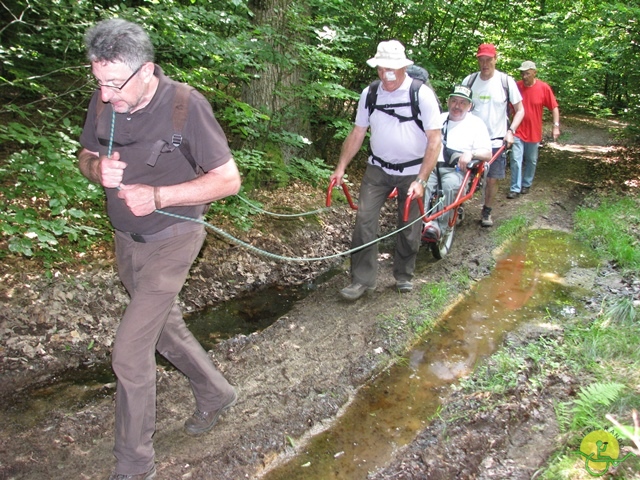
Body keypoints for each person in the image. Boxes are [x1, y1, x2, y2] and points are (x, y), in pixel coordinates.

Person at [77, 19, 241, 480]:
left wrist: (160, 196)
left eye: (114, 83)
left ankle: (135, 466)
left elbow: (229, 180)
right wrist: (96, 170)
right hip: (126, 242)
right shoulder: (105, 100)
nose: (106, 95)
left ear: (146, 71)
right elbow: (85, 153)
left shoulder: (187, 107)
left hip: (174, 239)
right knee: (163, 330)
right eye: (99, 83)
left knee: (129, 353)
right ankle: (216, 392)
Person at [330, 40, 441, 300]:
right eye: (381, 69)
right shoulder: (370, 94)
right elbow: (358, 132)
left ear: (403, 67)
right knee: (364, 222)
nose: (385, 74)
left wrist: (422, 180)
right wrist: (340, 167)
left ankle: (403, 274)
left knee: (409, 224)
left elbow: (435, 140)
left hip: (413, 170)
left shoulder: (421, 94)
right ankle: (361, 280)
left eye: (391, 68)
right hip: (377, 169)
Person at [462, 43, 524, 227]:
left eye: (488, 59)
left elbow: (520, 110)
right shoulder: (469, 81)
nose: (485, 63)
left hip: (496, 140)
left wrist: (511, 131)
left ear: (495, 59)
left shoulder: (506, 82)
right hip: (470, 139)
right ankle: (457, 208)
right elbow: (457, 107)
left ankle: (487, 210)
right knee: (462, 174)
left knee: (492, 178)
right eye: (481, 60)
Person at [422, 85, 492, 241]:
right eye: (454, 101)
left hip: (457, 170)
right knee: (420, 184)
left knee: (449, 187)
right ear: (448, 102)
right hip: (432, 166)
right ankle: (420, 223)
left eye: (462, 103)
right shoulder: (439, 119)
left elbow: (488, 154)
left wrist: (471, 153)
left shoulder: (476, 124)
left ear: (470, 106)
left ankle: (439, 228)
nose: (457, 106)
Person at [507, 60, 560, 197]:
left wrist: (556, 126)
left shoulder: (543, 88)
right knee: (515, 159)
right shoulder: (516, 87)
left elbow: (554, 107)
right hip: (517, 130)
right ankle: (515, 188)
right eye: (522, 73)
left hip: (534, 132)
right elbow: (508, 107)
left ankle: (526, 184)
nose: (524, 76)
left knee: (531, 160)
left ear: (534, 73)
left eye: (527, 74)